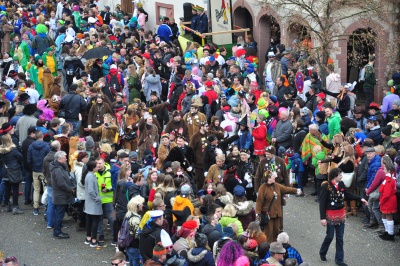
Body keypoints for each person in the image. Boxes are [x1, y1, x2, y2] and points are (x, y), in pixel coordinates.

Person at [319, 168, 368, 266]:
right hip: (330, 215)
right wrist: (322, 218)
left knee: (340, 237)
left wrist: (360, 199)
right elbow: (322, 203)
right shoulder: (325, 186)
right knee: (330, 236)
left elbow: (348, 194)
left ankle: (339, 260)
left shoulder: (341, 184)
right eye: (340, 174)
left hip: (341, 214)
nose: (342, 176)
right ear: (334, 176)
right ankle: (322, 252)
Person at [256, 170, 300, 242]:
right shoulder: (262, 188)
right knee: (268, 233)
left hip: (277, 213)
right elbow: (259, 201)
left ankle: (276, 247)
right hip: (268, 215)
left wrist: (296, 190)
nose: (274, 177)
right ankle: (268, 249)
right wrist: (258, 212)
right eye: (273, 176)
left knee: (277, 232)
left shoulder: (277, 185)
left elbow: (286, 189)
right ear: (268, 178)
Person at [50, 151, 74, 239]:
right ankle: (57, 233)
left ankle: (58, 231)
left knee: (59, 214)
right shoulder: (57, 169)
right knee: (59, 215)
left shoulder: (58, 167)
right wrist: (70, 189)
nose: (66, 159)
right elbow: (61, 183)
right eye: (64, 158)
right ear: (59, 159)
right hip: (60, 196)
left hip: (60, 195)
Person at [27, 130, 50, 215]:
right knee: (45, 189)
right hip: (44, 171)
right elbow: (48, 159)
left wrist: (32, 167)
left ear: (35, 137)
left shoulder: (31, 146)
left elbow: (28, 160)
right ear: (42, 136)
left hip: (35, 170)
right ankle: (46, 208)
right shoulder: (47, 146)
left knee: (36, 189)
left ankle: (35, 208)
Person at [0, 134, 24, 215]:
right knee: (15, 189)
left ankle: (7, 205)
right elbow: (20, 157)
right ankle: (15, 207)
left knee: (7, 189)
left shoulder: (1, 151)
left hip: (5, 171)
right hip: (14, 170)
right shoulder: (13, 150)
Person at [83, 160, 103, 247]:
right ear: (93, 168)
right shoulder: (91, 176)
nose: (98, 166)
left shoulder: (89, 175)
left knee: (90, 220)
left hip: (89, 203)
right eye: (97, 165)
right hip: (93, 203)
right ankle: (94, 240)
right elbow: (91, 191)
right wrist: (97, 198)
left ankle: (88, 238)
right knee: (95, 221)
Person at [125, 195, 145, 266]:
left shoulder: (128, 215)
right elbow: (138, 235)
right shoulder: (135, 219)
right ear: (137, 206)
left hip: (129, 245)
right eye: (141, 204)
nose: (142, 205)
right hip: (135, 246)